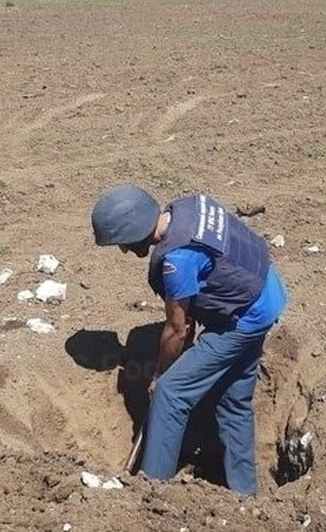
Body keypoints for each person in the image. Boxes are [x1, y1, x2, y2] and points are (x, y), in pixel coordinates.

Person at [90, 183, 288, 497]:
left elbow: (177, 329)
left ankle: (152, 492)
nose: (124, 251)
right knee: (234, 402)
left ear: (133, 231)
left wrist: (159, 374)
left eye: (122, 243)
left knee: (170, 394)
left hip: (243, 318)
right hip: (264, 293)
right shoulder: (188, 208)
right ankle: (245, 497)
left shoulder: (177, 259)